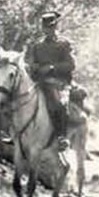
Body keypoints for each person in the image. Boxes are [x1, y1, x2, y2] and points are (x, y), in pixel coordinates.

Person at [28, 11, 75, 151]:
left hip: (58, 82)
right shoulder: (37, 45)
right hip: (40, 82)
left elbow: (71, 65)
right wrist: (37, 67)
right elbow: (31, 63)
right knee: (18, 98)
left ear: (55, 27)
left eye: (50, 27)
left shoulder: (64, 44)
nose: (47, 30)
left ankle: (61, 137)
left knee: (60, 104)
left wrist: (52, 68)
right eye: (45, 27)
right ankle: (16, 134)